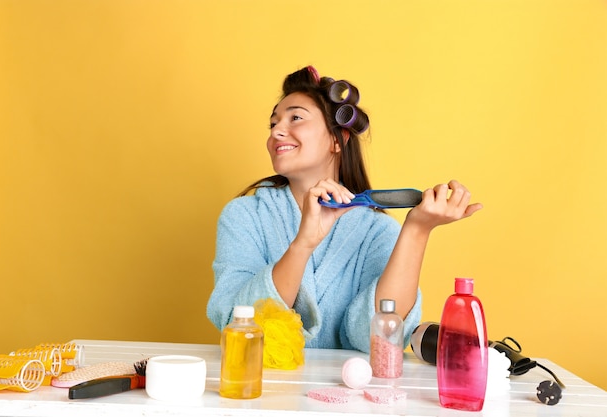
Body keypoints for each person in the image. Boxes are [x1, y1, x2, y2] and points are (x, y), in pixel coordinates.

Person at [206, 66, 482, 352]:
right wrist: (303, 244)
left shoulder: (376, 231)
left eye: (295, 118)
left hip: (351, 392)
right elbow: (237, 323)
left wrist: (417, 230)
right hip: (260, 387)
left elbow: (377, 340)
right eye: (273, 123)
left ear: (338, 140)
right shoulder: (243, 216)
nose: (277, 130)